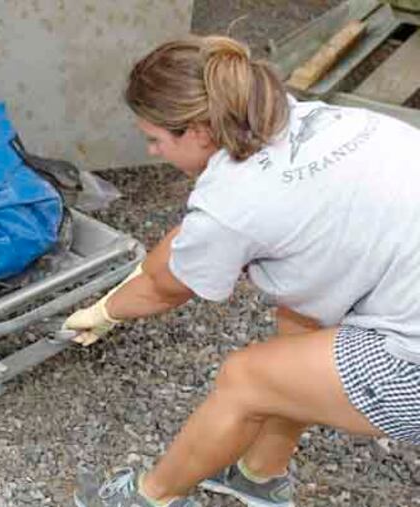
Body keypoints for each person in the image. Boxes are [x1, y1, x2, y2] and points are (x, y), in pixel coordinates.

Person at [64, 35, 420, 507]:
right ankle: (258, 477)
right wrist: (126, 291)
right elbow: (194, 237)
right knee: (299, 324)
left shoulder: (235, 202)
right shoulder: (308, 119)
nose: (152, 152)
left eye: (155, 139)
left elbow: (165, 286)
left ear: (198, 132)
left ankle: (149, 499)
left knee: (245, 378)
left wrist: (108, 310)